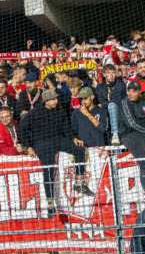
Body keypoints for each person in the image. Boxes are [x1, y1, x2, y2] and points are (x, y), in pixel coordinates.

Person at [19, 89, 95, 217]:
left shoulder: (60, 110)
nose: (56, 101)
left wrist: (74, 138)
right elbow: (21, 128)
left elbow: (67, 128)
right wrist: (28, 146)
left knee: (79, 149)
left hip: (58, 139)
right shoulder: (35, 112)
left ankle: (79, 183)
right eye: (53, 99)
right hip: (42, 142)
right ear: (46, 101)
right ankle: (50, 204)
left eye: (56, 98)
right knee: (48, 170)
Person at [96, 64, 126, 145]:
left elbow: (117, 100)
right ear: (104, 74)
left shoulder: (120, 84)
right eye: (109, 73)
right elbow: (100, 101)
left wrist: (103, 104)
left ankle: (115, 134)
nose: (111, 75)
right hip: (105, 115)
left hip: (119, 112)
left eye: (113, 73)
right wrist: (103, 105)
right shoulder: (100, 87)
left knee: (112, 105)